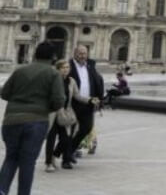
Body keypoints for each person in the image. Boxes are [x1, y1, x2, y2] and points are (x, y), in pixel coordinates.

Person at [0, 41, 65, 195]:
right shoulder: (53, 73)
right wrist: (44, 106)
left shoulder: (20, 71)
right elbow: (58, 101)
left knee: (11, 158)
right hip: (36, 121)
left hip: (11, 120)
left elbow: (4, 93)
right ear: (54, 57)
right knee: (27, 163)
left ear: (35, 54)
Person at [45, 59, 90, 172]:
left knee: (66, 138)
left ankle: (55, 155)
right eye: (63, 68)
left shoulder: (71, 81)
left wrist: (89, 100)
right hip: (53, 113)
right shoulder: (51, 80)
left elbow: (77, 96)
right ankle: (49, 163)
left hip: (66, 114)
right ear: (58, 69)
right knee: (51, 138)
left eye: (67, 67)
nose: (66, 70)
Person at [68, 45, 103, 160]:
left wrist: (98, 99)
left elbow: (97, 81)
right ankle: (68, 155)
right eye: (80, 53)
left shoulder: (90, 66)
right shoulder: (69, 66)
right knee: (71, 129)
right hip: (73, 103)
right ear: (74, 54)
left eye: (85, 53)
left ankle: (70, 149)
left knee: (87, 127)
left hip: (88, 102)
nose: (83, 56)